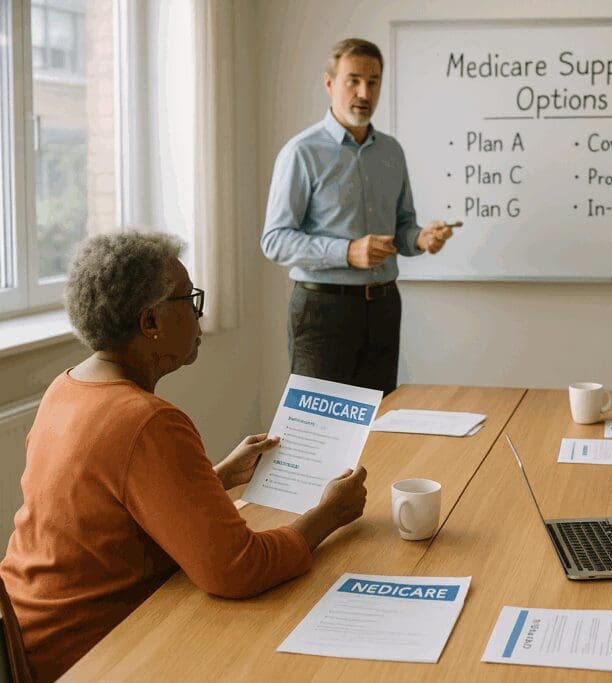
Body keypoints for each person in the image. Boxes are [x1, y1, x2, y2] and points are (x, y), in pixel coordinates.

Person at [0, 233, 369, 682]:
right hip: (84, 653)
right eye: (189, 300)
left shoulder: (67, 387)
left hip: (27, 632)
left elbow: (109, 512)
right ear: (151, 321)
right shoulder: (146, 420)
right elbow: (237, 569)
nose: (200, 314)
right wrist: (330, 514)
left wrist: (217, 477)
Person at [262, 37, 457, 395]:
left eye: (373, 81)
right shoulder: (301, 152)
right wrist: (347, 252)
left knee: (377, 427)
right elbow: (275, 240)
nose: (364, 92)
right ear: (329, 83)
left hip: (383, 307)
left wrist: (421, 238)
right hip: (322, 310)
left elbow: (401, 227)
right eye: (353, 80)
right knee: (317, 430)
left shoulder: (391, 152)